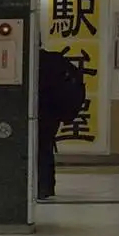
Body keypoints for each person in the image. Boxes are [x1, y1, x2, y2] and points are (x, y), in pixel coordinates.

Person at [37, 47, 83, 201]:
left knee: (36, 148)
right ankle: (46, 187)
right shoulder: (56, 61)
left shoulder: (31, 62)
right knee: (45, 147)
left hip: (38, 111)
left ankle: (36, 185)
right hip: (53, 113)